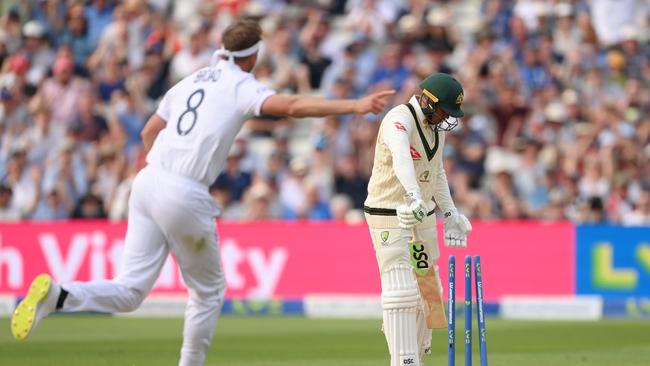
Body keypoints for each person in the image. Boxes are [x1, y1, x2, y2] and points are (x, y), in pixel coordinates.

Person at [11, 19, 394, 366]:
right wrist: (355, 105)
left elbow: (148, 131)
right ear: (253, 55)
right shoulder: (241, 85)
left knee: (129, 292)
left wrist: (162, 166)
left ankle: (58, 296)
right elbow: (291, 106)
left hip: (147, 181)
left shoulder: (192, 79)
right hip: (183, 190)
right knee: (208, 292)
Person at [363, 73, 472, 366]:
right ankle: (404, 362)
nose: (447, 118)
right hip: (390, 213)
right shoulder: (398, 119)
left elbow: (436, 173)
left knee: (429, 289)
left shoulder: (436, 128)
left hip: (421, 213)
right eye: (444, 111)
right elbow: (401, 157)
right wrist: (412, 196)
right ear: (427, 101)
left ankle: (417, 357)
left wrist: (450, 214)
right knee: (402, 291)